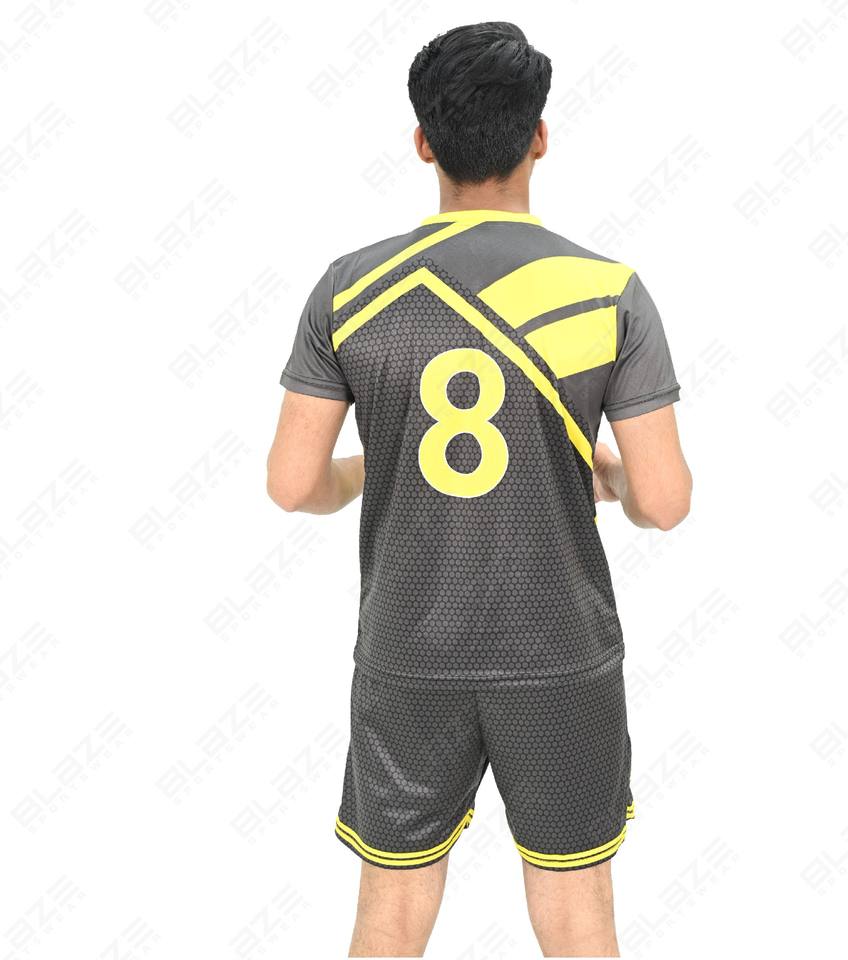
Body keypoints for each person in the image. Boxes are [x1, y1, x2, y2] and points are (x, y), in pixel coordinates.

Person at [267, 21, 692, 958]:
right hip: (559, 653)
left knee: (389, 911)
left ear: (424, 142)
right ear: (539, 136)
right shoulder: (607, 291)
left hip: (406, 648)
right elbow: (663, 502)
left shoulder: (349, 289)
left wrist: (376, 467)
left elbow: (293, 485)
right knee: (577, 914)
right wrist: (605, 474)